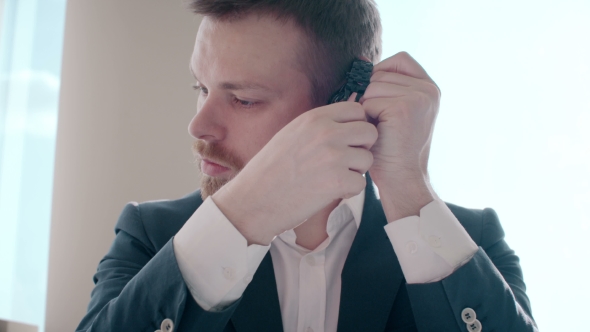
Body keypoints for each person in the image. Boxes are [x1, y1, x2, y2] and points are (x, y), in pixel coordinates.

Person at [77, 0, 538, 331]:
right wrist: (244, 216)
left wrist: (407, 187)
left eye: (243, 99)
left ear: (347, 99)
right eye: (200, 87)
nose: (199, 126)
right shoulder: (150, 236)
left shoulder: (467, 243)